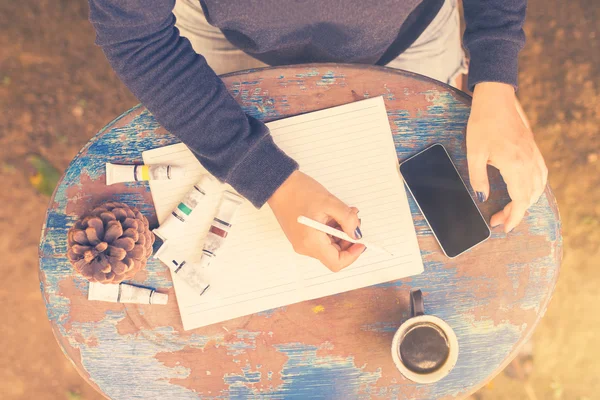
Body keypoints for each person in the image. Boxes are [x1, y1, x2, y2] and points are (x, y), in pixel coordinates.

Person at [88, 0, 547, 272]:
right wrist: (267, 179)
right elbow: (136, 34)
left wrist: (495, 72)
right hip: (222, 33)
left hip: (415, 33)